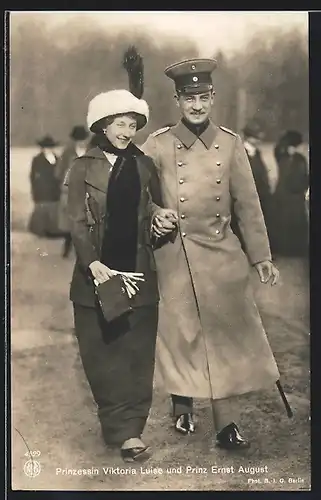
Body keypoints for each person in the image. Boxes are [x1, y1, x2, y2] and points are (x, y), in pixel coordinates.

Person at [141, 58, 283, 450]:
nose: (197, 106)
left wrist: (261, 256)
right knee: (181, 335)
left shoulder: (231, 144)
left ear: (213, 97)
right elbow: (139, 195)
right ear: (178, 100)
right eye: (190, 99)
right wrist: (155, 214)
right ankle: (182, 402)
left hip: (221, 255)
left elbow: (248, 205)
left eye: (203, 98)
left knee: (225, 339)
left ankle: (228, 425)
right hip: (175, 255)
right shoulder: (157, 143)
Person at [66, 47, 175, 462]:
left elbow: (154, 212)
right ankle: (115, 423)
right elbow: (76, 221)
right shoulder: (80, 169)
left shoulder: (145, 166)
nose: (126, 131)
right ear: (102, 126)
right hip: (95, 276)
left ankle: (132, 432)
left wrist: (162, 220)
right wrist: (92, 263)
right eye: (118, 123)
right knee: (102, 357)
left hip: (139, 275)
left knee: (136, 356)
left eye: (132, 124)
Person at [231, 121, 273, 250]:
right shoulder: (239, 151)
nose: (258, 139)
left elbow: (262, 173)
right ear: (249, 137)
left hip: (259, 192)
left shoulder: (257, 153)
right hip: (244, 192)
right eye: (256, 136)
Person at [271, 130, 309, 257]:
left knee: (296, 221)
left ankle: (296, 249)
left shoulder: (300, 159)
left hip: (296, 195)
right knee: (282, 222)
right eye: (292, 147)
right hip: (284, 194)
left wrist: (304, 187)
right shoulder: (282, 156)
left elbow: (305, 176)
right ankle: (283, 248)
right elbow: (277, 149)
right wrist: (286, 143)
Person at [55, 125, 89, 258]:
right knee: (69, 221)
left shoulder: (90, 151)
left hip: (85, 189)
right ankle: (67, 248)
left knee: (84, 220)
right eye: (79, 139)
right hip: (69, 190)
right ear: (74, 140)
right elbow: (59, 172)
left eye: (83, 139)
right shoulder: (68, 152)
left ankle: (83, 250)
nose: (81, 142)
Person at [28, 135, 61, 237]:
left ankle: (54, 231)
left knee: (54, 210)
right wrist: (35, 189)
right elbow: (33, 176)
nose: (48, 149)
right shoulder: (37, 159)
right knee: (42, 210)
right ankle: (42, 230)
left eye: (50, 147)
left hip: (55, 188)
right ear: (42, 148)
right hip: (42, 188)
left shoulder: (57, 158)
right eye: (46, 147)